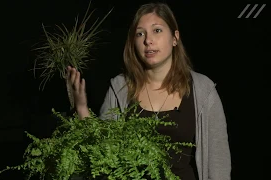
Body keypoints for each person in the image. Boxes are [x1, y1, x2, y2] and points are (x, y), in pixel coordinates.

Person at [66, 2, 231, 180]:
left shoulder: (202, 89)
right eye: (140, 33)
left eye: (157, 30)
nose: (148, 40)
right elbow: (101, 153)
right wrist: (81, 107)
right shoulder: (120, 88)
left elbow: (218, 161)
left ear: (175, 38)